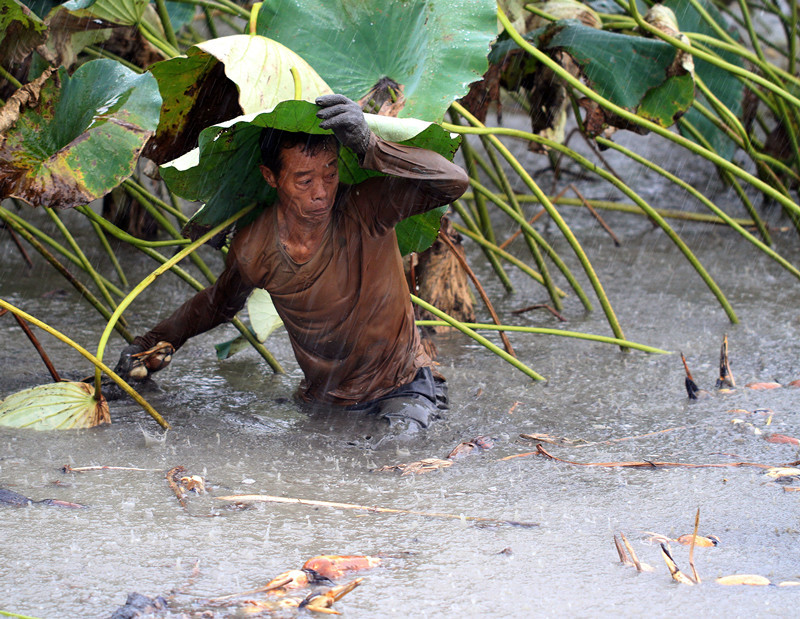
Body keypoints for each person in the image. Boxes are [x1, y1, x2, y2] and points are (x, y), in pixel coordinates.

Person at [115, 94, 470, 430]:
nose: (321, 191)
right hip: (324, 399)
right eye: (304, 180)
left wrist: (370, 145)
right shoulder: (255, 247)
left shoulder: (366, 207)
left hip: (402, 386)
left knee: (397, 446)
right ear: (271, 178)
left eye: (330, 175)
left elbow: (453, 181)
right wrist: (153, 342)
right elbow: (218, 304)